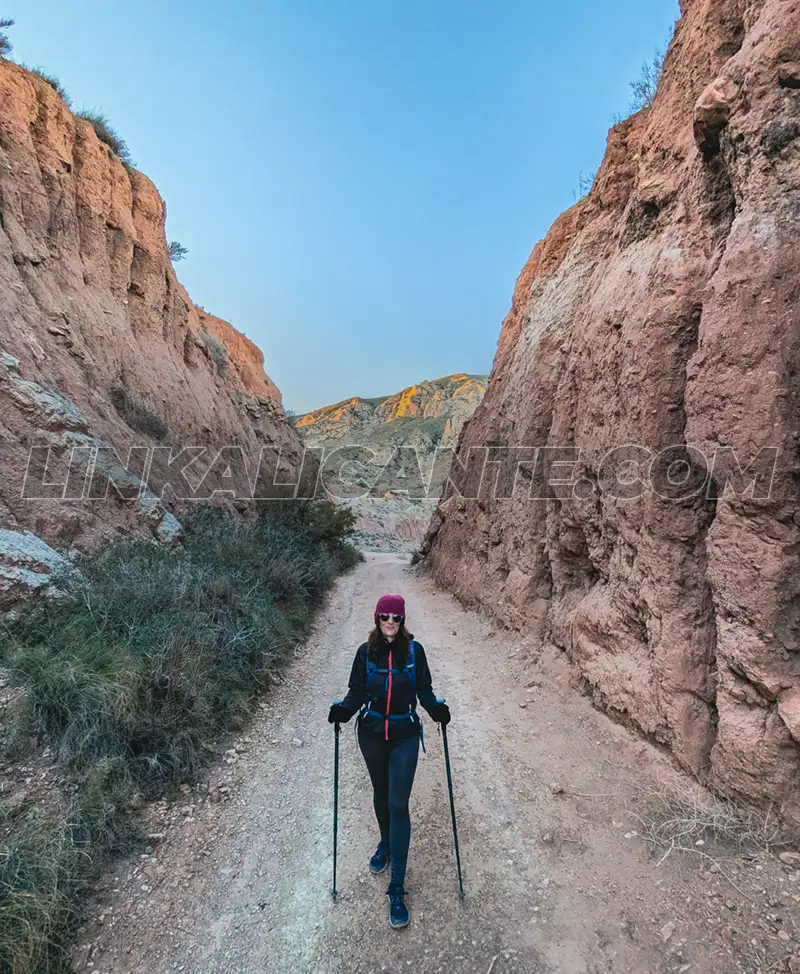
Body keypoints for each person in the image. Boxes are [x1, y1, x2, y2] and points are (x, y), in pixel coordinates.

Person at [327, 593, 451, 929]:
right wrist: (343, 710)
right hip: (370, 733)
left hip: (404, 735)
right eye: (385, 616)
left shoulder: (415, 651)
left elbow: (423, 690)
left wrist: (436, 709)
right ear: (377, 618)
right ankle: (386, 842)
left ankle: (396, 887)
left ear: (403, 619)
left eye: (396, 617)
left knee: (398, 803)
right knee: (380, 794)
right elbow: (355, 691)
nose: (391, 622)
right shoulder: (366, 653)